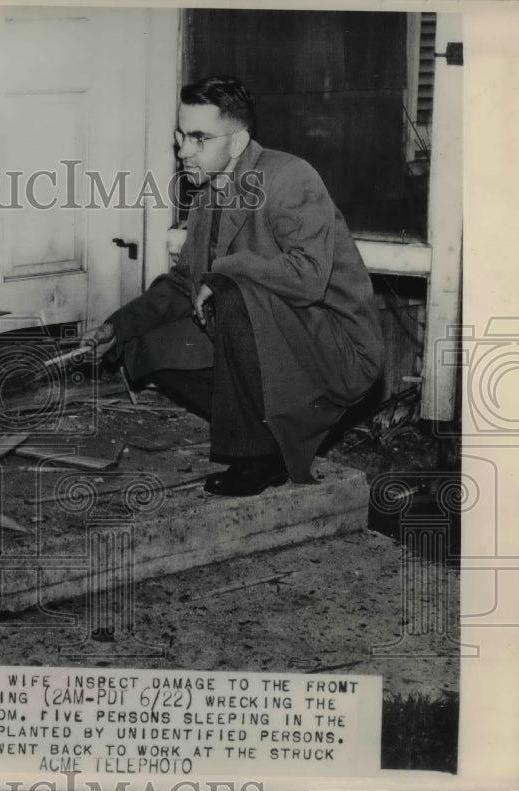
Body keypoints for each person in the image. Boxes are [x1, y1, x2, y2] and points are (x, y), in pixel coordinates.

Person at [82, 75, 384, 496]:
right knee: (145, 341)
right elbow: (183, 281)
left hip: (331, 345)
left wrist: (226, 270)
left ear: (238, 142)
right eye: (180, 136)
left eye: (199, 138)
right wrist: (120, 324)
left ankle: (257, 456)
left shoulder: (290, 178)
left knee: (231, 293)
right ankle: (266, 433)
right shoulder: (208, 190)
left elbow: (310, 277)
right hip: (268, 333)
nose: (184, 151)